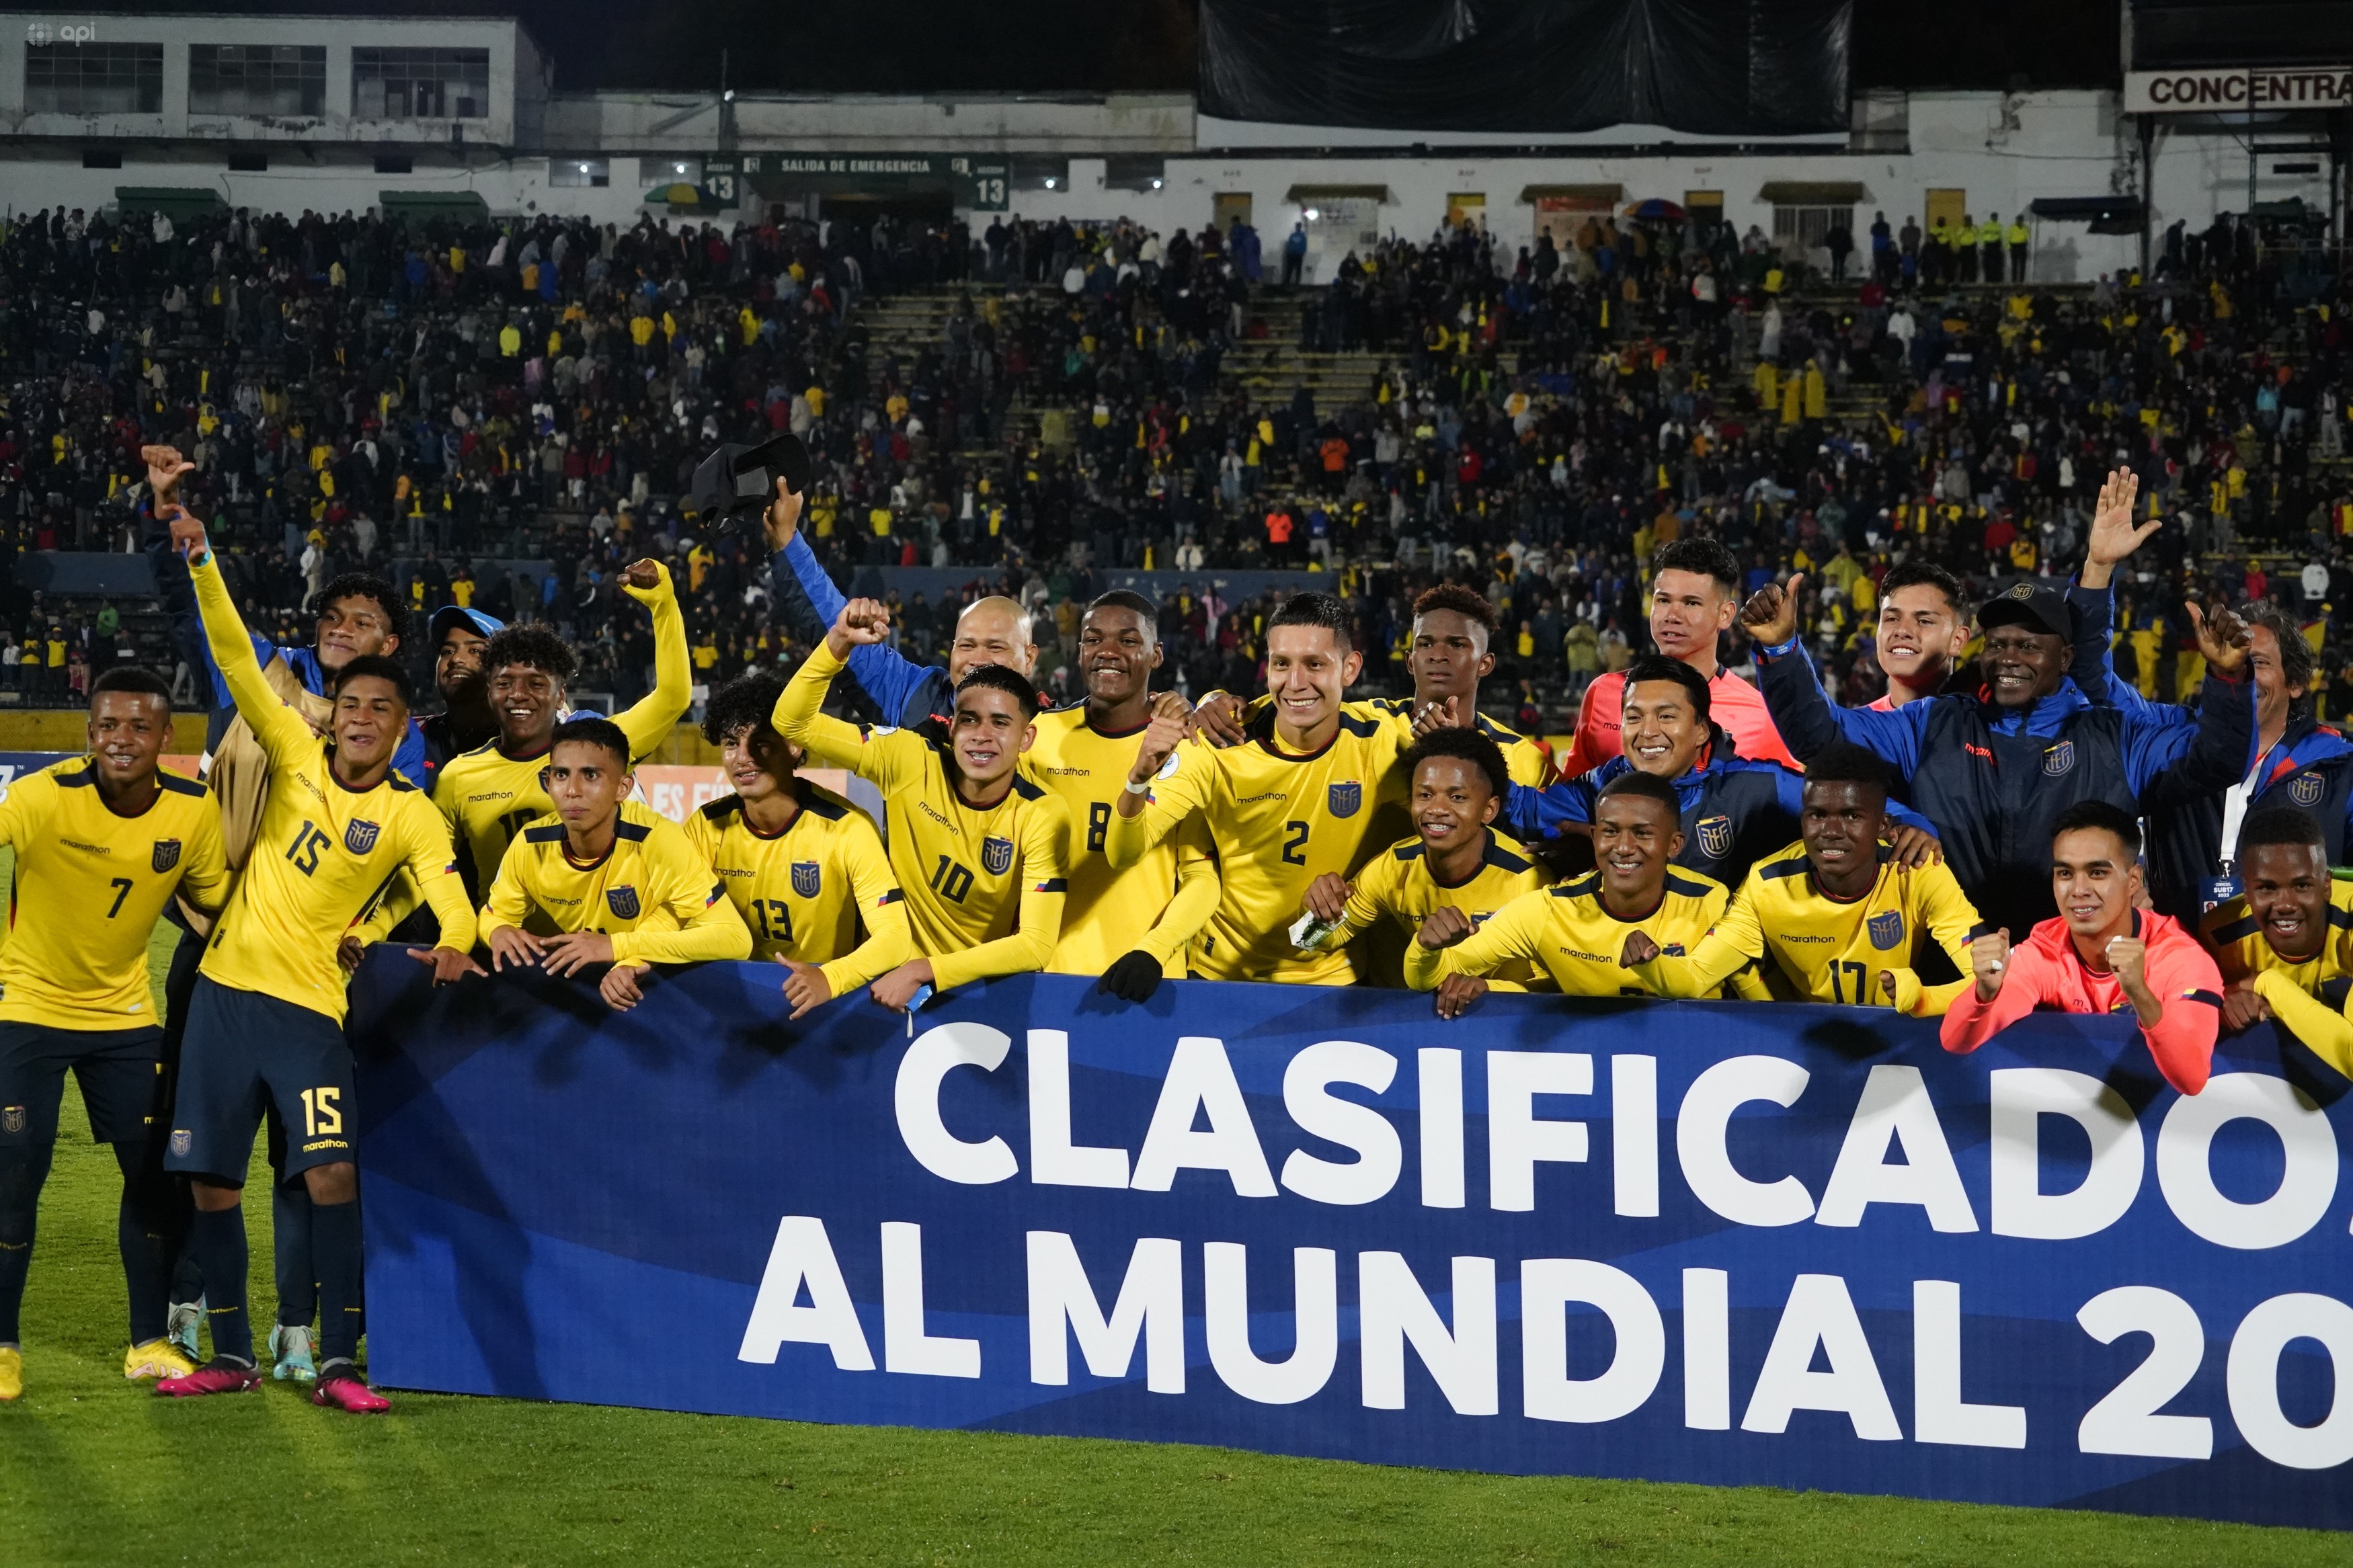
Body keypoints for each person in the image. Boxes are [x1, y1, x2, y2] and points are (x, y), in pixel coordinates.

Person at [154, 503, 481, 1413]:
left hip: (308, 1012)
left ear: (399, 720)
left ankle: (338, 1360)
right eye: (351, 706)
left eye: (381, 708)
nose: (363, 719)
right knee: (211, 1180)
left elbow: (448, 895)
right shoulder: (294, 750)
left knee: (331, 1172)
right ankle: (229, 1351)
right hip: (223, 994)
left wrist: (454, 941)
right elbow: (229, 653)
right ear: (331, 715)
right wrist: (204, 556)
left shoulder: (414, 811)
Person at [1745, 572, 2253, 942]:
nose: (2008, 658)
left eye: (2029, 646)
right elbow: (1826, 741)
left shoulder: (2116, 735)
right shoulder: (1933, 723)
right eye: (1998, 644)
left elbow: (2216, 762)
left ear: (2066, 658)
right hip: (1951, 967)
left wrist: (2229, 681)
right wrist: (1782, 653)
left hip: (2079, 972)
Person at [0, 669, 231, 1401]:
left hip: (125, 1014)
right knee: (15, 1172)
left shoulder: (195, 811)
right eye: (107, 725)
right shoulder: (41, 796)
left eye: (138, 727)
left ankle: (149, 1340)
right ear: (87, 732)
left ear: (168, 739)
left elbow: (212, 903)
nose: (120, 739)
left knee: (156, 1174)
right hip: (28, 1006)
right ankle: (2, 1344)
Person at [772, 600, 1068, 1009]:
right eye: (969, 721)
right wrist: (838, 643)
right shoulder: (906, 758)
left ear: (1027, 737)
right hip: (874, 986)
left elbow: (1036, 945)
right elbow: (792, 723)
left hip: (978, 995)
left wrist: (923, 970)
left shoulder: (1043, 812)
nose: (982, 735)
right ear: (950, 725)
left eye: (1000, 723)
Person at [1106, 591, 1412, 985]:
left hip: (1332, 981)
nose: (1295, 683)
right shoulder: (1218, 743)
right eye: (1282, 664)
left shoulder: (1382, 742)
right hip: (1219, 977)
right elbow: (1122, 852)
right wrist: (1139, 777)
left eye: (1315, 664)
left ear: (1350, 669)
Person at [1507, 657, 1939, 894]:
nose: (1648, 732)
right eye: (1634, 717)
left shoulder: (1755, 786)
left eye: (1667, 716)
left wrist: (1910, 824)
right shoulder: (1602, 785)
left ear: (1701, 730)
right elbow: (1520, 809)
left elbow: (1848, 805)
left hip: (1728, 980)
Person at [1623, 743, 1983, 1015]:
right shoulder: (1767, 884)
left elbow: (1988, 979)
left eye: (1853, 815)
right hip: (1799, 1045)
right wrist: (1651, 964)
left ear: (1884, 826)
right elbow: (1696, 976)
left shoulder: (1918, 872)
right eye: (1817, 815)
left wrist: (1922, 998)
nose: (1831, 831)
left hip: (1895, 1040)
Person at [434, 563, 688, 901]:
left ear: (561, 696)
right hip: (501, 942)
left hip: (599, 945)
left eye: (536, 684)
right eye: (505, 684)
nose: (518, 695)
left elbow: (673, 697)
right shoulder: (458, 776)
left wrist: (664, 605)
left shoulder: (599, 745)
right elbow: (432, 870)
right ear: (490, 691)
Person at [1942, 802, 2219, 1096]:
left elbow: (2192, 1079)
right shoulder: (2045, 950)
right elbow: (1955, 1042)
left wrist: (2139, 992)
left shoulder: (2179, 957)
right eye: (2065, 873)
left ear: (2133, 881)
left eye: (2098, 873)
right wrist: (1984, 994)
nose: (2078, 890)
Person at [1022, 592, 1220, 1001]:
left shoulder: (1187, 747)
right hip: (1046, 981)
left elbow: (1201, 879)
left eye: (1128, 641)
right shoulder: (1038, 739)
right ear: (1079, 652)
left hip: (1147, 984)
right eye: (1094, 640)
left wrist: (1154, 951)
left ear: (1156, 655)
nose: (1108, 652)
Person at [480, 716, 752, 1013]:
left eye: (591, 776)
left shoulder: (657, 840)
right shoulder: (531, 843)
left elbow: (735, 938)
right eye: (561, 775)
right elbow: (495, 916)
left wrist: (618, 948)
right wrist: (497, 931)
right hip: (581, 993)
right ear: (548, 782)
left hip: (660, 996)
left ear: (623, 788)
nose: (572, 790)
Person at [684, 674, 911, 1019]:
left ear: (794, 745)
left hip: (827, 1008)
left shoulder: (847, 828)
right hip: (735, 1006)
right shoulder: (705, 825)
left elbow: (894, 936)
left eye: (760, 742)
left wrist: (829, 978)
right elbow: (667, 916)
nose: (743, 758)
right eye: (731, 743)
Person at [1406, 771, 1731, 1012]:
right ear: (1593, 836)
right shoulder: (1548, 910)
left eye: (1642, 834)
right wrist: (1425, 949)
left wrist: (1651, 965)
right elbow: (1426, 978)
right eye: (1610, 832)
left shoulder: (1710, 902)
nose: (1624, 848)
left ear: (1674, 845)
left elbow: (1749, 997)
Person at [1191, 585, 1554, 787]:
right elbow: (1283, 704)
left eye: (1456, 645)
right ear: (1410, 661)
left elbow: (1570, 839)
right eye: (1426, 644)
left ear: (1485, 663)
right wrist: (1214, 700)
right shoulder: (1366, 726)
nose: (1438, 656)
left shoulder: (1525, 760)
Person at [1295, 729, 1550, 1014]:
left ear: (1489, 810)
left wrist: (1491, 991)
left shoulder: (1528, 881)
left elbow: (1557, 985)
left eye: (1457, 798)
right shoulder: (1395, 866)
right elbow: (1309, 941)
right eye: (1425, 794)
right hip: (1421, 1022)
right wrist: (1318, 914)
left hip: (1505, 1025)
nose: (1437, 809)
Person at [764, 485, 1039, 734]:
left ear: (1029, 658)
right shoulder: (914, 696)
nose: (977, 659)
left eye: (996, 647)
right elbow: (830, 619)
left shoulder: (1055, 733)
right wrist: (787, 536)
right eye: (966, 646)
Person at [1560, 538, 1799, 774]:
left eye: (1691, 603)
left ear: (1725, 615)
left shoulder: (1761, 716)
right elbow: (1570, 799)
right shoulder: (1603, 694)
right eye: (1663, 600)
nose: (1672, 615)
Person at [2200, 805, 2353, 1078]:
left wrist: (2266, 983)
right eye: (2267, 888)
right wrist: (2220, 1004)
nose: (2284, 905)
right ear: (2246, 891)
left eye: (2302, 886)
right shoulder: (2220, 935)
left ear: (2327, 885)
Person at [416, 604, 504, 785]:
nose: (456, 659)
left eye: (475, 651)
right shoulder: (410, 736)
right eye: (448, 651)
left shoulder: (526, 742)